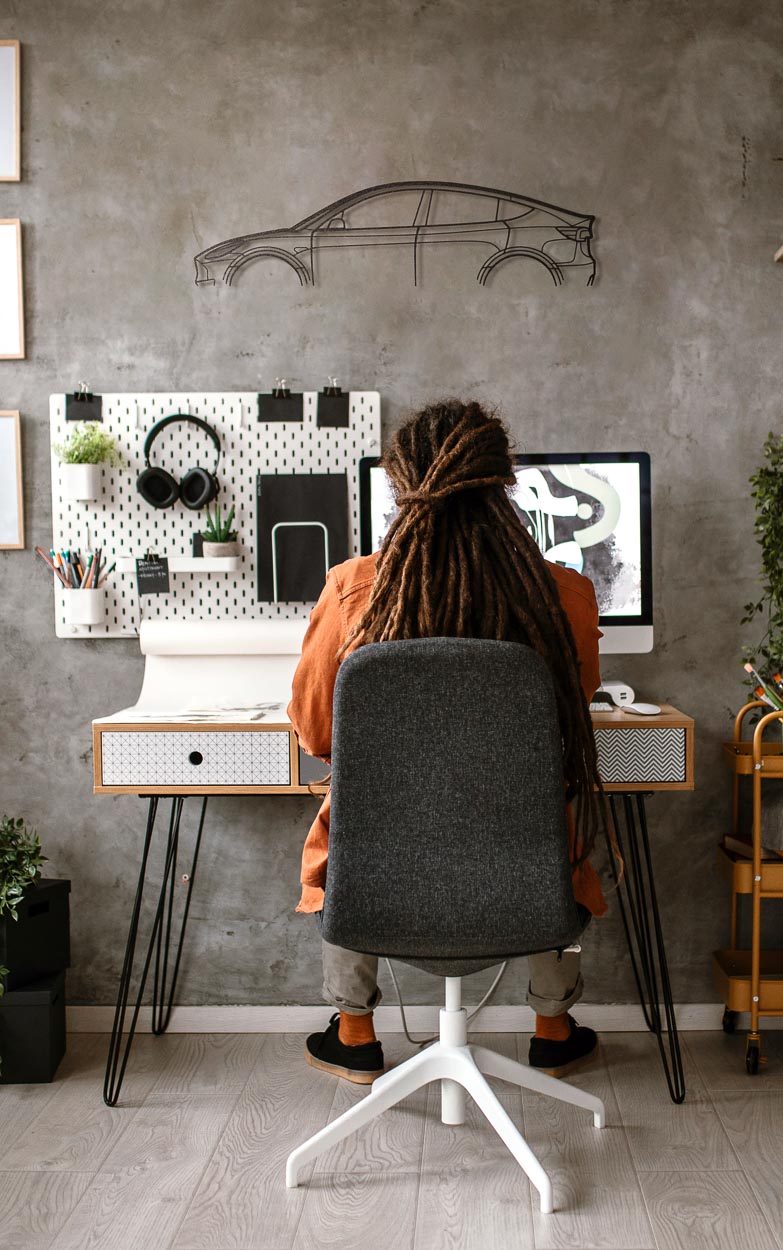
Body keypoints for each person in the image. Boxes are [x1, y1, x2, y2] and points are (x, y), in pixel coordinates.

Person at [288, 399, 608, 1085]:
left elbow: (318, 733)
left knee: (348, 814)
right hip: (520, 863)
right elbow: (568, 724)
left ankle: (354, 1034)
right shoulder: (565, 593)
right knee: (564, 815)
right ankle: (553, 1028)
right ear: (503, 482)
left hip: (384, 869)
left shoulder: (353, 589)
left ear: (402, 485)